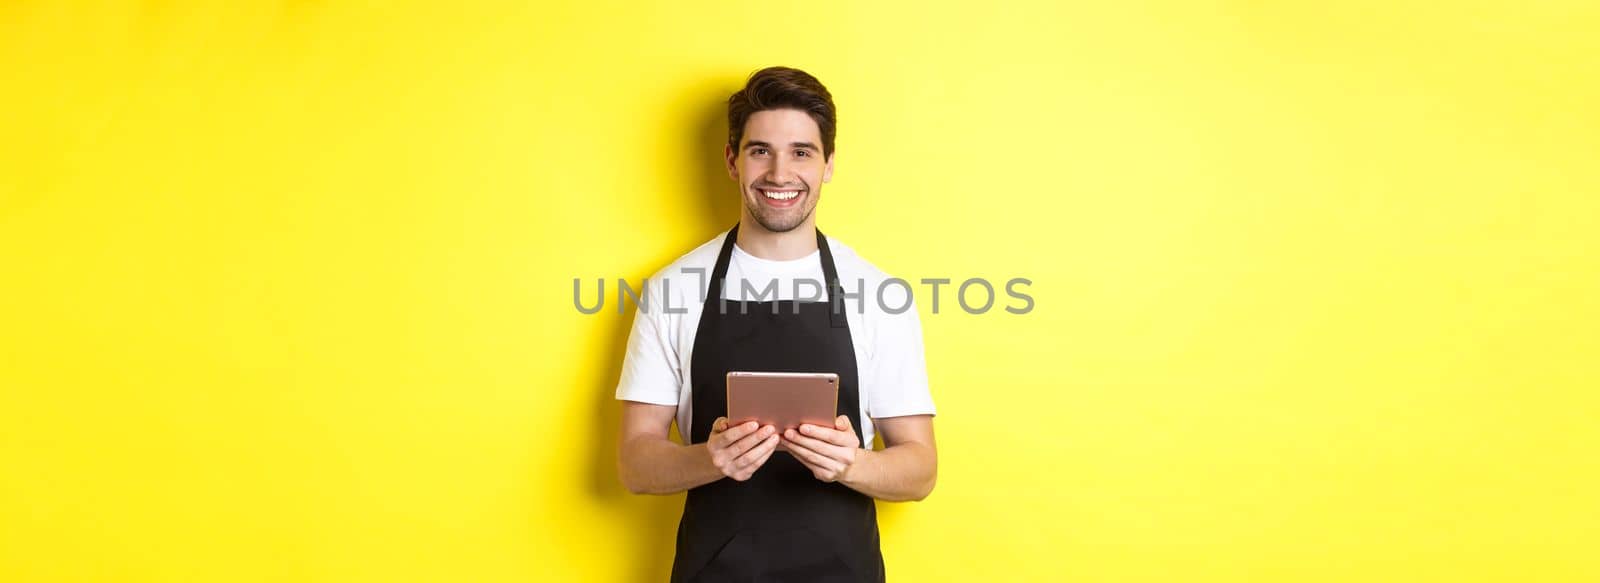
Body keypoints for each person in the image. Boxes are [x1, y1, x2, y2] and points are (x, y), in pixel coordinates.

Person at [615, 66, 937, 582]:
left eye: (802, 152)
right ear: (732, 160)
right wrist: (711, 459)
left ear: (828, 164)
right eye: (760, 150)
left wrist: (851, 464)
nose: (780, 173)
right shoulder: (672, 289)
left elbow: (920, 468)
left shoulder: (880, 294)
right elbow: (634, 462)